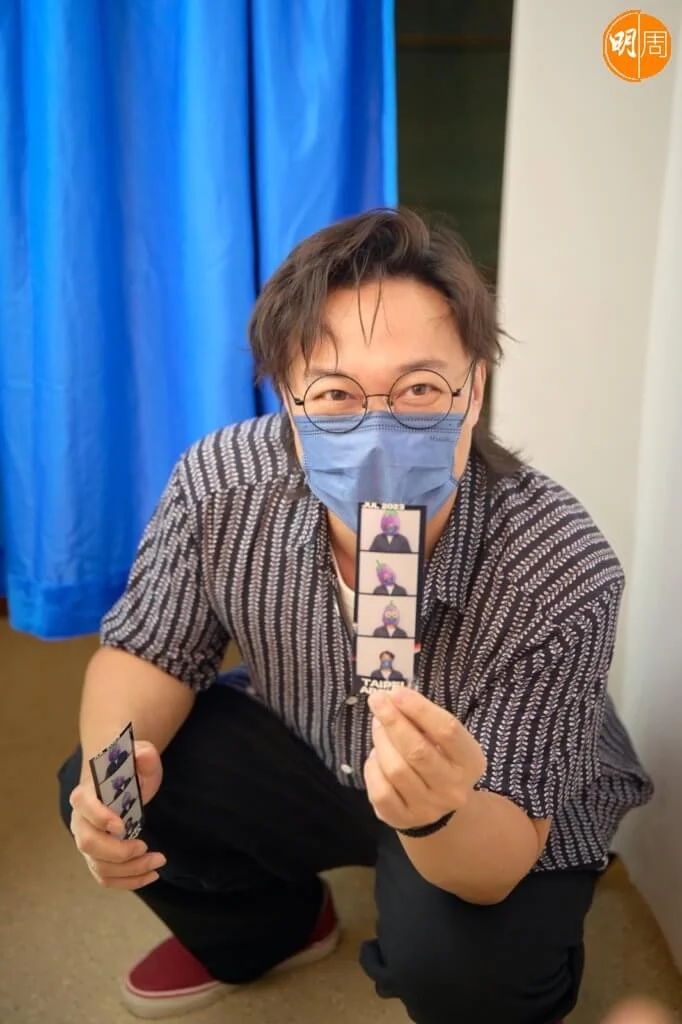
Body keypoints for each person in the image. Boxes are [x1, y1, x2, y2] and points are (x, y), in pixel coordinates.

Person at [58, 209, 653, 1024]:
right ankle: (275, 928)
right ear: (288, 399)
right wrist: (112, 784)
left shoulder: (558, 562)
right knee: (97, 773)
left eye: (420, 389)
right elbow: (148, 652)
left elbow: (495, 864)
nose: (377, 433)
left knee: (472, 979)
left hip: (487, 800)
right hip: (310, 740)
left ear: (474, 389)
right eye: (336, 395)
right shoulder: (220, 482)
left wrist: (438, 810)